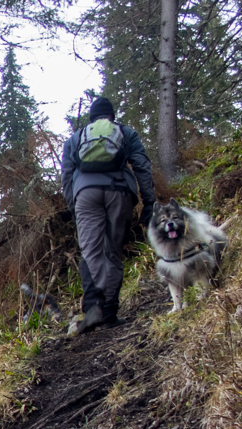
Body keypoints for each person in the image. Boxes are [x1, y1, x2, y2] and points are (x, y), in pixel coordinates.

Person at [61, 96, 156, 334]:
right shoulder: (125, 133)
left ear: (91, 119)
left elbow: (66, 175)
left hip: (86, 194)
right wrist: (149, 202)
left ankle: (93, 309)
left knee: (91, 251)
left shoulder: (76, 138)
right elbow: (142, 165)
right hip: (119, 192)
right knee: (112, 251)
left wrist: (74, 205)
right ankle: (110, 312)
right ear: (112, 117)